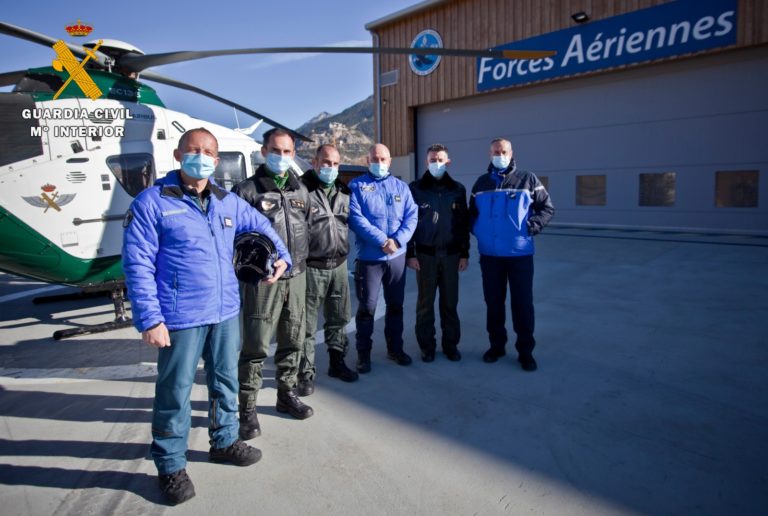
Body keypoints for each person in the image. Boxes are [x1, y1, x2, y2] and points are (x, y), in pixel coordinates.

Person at [122, 127, 291, 505]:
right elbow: (137, 264)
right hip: (180, 317)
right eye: (194, 150)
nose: (202, 156)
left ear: (216, 160)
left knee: (225, 380)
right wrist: (150, 319)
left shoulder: (226, 201)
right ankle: (170, 465)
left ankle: (225, 440)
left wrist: (282, 256)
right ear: (179, 156)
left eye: (209, 152)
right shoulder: (153, 203)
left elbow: (263, 226)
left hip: (226, 311)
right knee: (175, 392)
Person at [232, 128, 313, 437]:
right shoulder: (247, 191)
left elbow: (304, 229)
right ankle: (248, 408)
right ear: (264, 152)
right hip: (264, 282)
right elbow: (238, 240)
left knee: (294, 338)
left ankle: (286, 394)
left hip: (296, 277)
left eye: (287, 152)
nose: (282, 157)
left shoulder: (299, 190)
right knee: (256, 344)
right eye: (276, 151)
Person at [469, 138, 554, 372]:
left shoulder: (528, 179)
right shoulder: (481, 183)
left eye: (503, 151)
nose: (500, 155)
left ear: (511, 153)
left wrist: (531, 227)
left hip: (519, 255)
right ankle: (497, 346)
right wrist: (480, 231)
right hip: (490, 256)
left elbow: (547, 208)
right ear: (490, 154)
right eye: (496, 152)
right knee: (493, 304)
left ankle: (525, 351)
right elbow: (471, 214)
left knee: (522, 304)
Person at [348, 143, 418, 372]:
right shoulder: (356, 186)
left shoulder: (401, 187)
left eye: (383, 159)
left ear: (390, 161)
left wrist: (397, 241)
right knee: (367, 308)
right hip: (370, 258)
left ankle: (395, 349)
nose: (379, 163)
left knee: (395, 306)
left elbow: (411, 216)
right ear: (367, 161)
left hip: (397, 257)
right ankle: (363, 354)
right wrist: (382, 241)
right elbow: (356, 218)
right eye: (375, 159)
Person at [298, 144, 359, 391]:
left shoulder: (344, 191)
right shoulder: (301, 191)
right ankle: (305, 373)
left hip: (339, 266)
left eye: (335, 164)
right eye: (325, 162)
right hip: (312, 267)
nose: (330, 168)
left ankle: (337, 362)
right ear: (314, 162)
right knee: (307, 323)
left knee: (338, 318)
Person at [407, 144, 470, 362]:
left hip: (452, 256)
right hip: (425, 256)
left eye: (440, 159)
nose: (436, 163)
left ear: (448, 162)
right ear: (426, 162)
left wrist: (465, 253)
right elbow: (409, 224)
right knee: (425, 303)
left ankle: (450, 345)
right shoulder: (415, 189)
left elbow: (463, 224)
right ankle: (427, 346)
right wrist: (410, 254)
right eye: (432, 159)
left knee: (450, 303)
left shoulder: (458, 190)